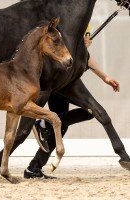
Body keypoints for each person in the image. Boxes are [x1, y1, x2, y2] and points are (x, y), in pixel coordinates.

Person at [24, 36, 120, 179]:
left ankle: (33, 167)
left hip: (68, 81)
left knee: (64, 125)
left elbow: (85, 57)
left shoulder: (83, 24)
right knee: (83, 114)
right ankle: (42, 132)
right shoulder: (61, 22)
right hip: (57, 81)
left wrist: (105, 77)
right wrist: (77, 44)